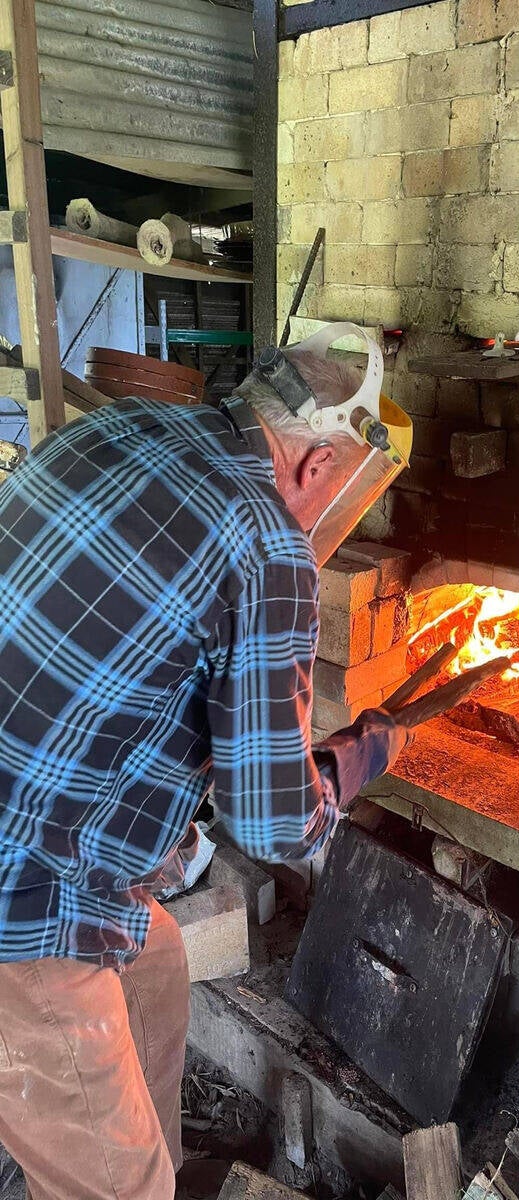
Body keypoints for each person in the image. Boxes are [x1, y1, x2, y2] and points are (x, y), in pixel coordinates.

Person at [0, 323, 413, 1199]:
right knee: (115, 1187)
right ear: (316, 468)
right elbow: (268, 825)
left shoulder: (118, 427)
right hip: (21, 909)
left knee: (154, 956)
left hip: (33, 823)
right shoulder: (266, 546)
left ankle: (150, 1160)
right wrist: (354, 761)